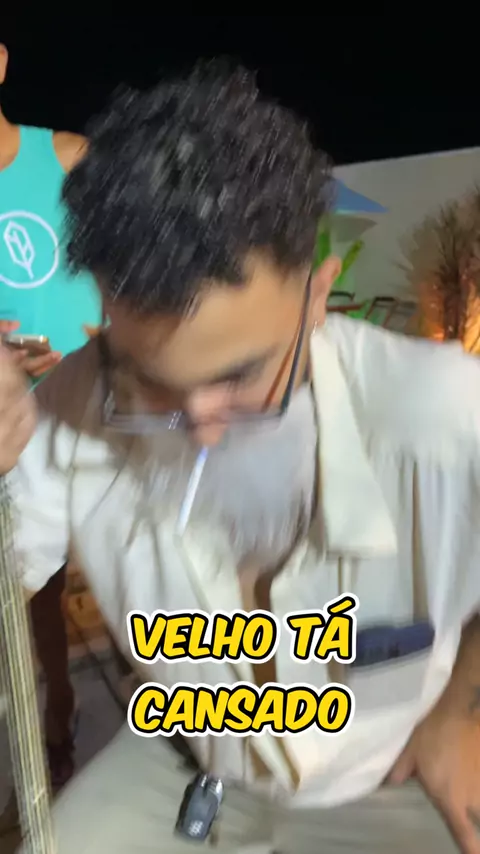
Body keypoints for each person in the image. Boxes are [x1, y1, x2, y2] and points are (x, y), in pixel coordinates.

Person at [1, 63, 480, 854]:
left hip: (386, 773)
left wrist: (455, 714)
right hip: (179, 761)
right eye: (150, 383)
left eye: (241, 376)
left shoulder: (443, 414)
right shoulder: (78, 403)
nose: (201, 430)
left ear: (318, 294)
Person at [0, 41, 101, 789]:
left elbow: (141, 261)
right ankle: (55, 715)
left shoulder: (67, 157)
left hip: (105, 410)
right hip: (18, 426)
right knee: (30, 589)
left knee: (148, 577)